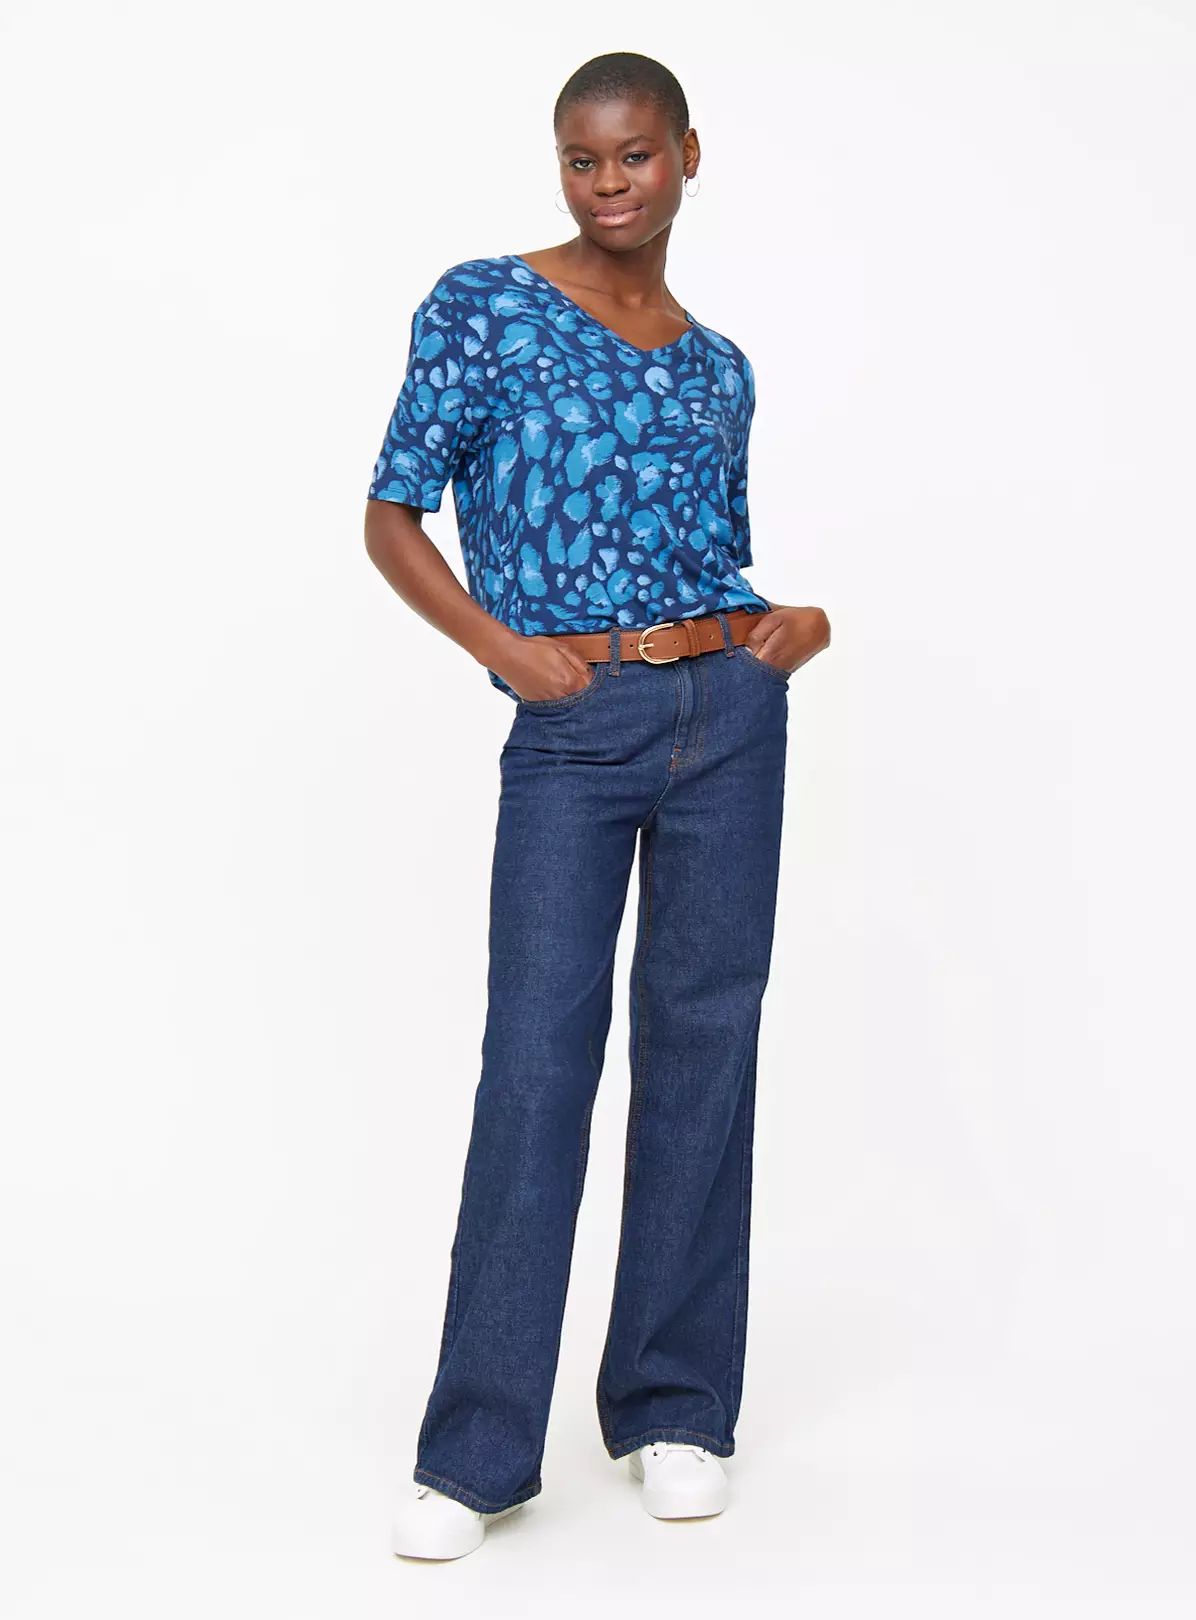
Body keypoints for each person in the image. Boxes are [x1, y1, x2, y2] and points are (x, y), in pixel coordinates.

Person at [364, 51, 831, 1561]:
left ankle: (675, 1407)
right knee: (536, 1063)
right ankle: (476, 1453)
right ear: (560, 166)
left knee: (705, 1050)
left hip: (728, 716)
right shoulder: (484, 307)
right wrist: (508, 654)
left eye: (635, 155)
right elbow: (392, 512)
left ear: (688, 153)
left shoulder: (718, 365)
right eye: (583, 159)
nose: (610, 182)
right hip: (573, 727)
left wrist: (787, 631)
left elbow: (703, 555)